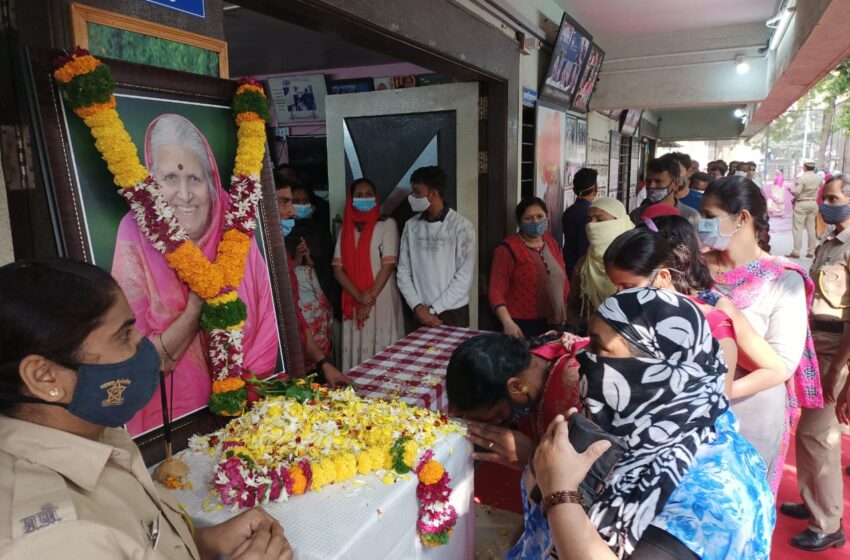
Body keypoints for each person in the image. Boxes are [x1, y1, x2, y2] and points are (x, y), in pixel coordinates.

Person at [0, 259, 293, 559]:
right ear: (44, 376)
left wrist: (205, 542)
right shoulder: (53, 539)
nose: (142, 343)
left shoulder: (96, 432)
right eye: (123, 335)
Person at [511, 289, 774, 560]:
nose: (582, 360)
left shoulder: (711, 496)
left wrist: (559, 493)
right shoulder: (641, 433)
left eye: (599, 348)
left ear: (661, 368)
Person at [112, 115, 279, 435]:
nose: (184, 194)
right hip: (170, 427)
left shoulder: (235, 224)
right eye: (170, 179)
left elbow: (268, 324)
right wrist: (194, 311)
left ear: (212, 181)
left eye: (194, 178)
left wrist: (247, 394)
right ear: (151, 184)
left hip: (250, 412)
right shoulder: (134, 232)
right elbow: (135, 363)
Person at [700, 175, 822, 492]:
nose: (702, 225)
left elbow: (781, 364)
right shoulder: (692, 267)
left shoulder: (783, 279)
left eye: (710, 217)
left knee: (737, 503)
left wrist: (720, 394)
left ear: (742, 218)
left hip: (750, 409)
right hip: (685, 408)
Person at [604, 219, 786, 401]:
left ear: (663, 276)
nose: (619, 295)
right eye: (616, 287)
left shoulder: (712, 319)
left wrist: (721, 391)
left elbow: (775, 370)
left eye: (628, 287)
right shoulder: (622, 316)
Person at [784, 174, 850, 551]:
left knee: (818, 436)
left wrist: (840, 367)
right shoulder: (830, 240)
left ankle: (827, 521)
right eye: (826, 196)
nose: (827, 202)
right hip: (819, 344)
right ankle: (815, 505)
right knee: (810, 433)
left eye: (834, 197)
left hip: (836, 349)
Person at [446, 331, 586, 468]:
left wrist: (534, 457)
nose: (495, 425)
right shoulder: (529, 361)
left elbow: (597, 472)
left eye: (498, 417)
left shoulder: (580, 383)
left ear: (516, 387)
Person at [275, 181, 352, 387]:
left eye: (298, 202)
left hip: (313, 313)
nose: (292, 210)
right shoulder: (264, 251)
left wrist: (324, 363)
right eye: (284, 203)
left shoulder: (317, 230)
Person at [332, 178, 404, 371]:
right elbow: (337, 269)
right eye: (359, 195)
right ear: (351, 199)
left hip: (380, 296)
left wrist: (368, 299)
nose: (364, 198)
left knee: (382, 348)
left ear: (375, 197)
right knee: (357, 349)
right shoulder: (346, 228)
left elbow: (388, 265)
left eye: (368, 195)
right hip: (354, 296)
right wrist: (359, 297)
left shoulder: (387, 224)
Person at [397, 166, 476, 328]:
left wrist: (433, 309)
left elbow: (464, 278)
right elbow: (403, 272)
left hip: (452, 310)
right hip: (418, 311)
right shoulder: (411, 226)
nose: (411, 196)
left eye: (416, 192)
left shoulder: (461, 226)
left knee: (455, 354)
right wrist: (418, 307)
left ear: (432, 194)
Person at [490, 198, 569, 339]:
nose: (535, 222)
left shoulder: (551, 243)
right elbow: (496, 291)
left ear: (547, 216)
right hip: (521, 325)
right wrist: (507, 322)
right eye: (529, 218)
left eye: (540, 217)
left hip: (554, 322)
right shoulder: (507, 249)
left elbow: (563, 278)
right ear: (520, 221)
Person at [281, 179, 334, 366]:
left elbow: (329, 263)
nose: (300, 206)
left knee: (321, 343)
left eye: (305, 201)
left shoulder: (319, 229)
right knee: (300, 345)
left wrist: (312, 262)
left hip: (318, 295)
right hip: (297, 301)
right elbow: (280, 271)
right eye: (296, 201)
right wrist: (296, 260)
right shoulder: (278, 234)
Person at [567, 198, 633, 335]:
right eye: (589, 219)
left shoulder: (638, 262)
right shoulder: (584, 264)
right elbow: (574, 306)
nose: (591, 225)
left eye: (600, 220)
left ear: (619, 222)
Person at [629, 156, 699, 226]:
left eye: (658, 181)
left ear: (675, 183)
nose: (651, 186)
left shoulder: (691, 216)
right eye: (648, 181)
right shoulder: (636, 215)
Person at [561, 168, 597, 280]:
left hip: (568, 265)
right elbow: (584, 249)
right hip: (582, 271)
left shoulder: (569, 211)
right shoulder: (590, 214)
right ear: (595, 189)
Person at [789, 159, 822, 258]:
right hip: (813, 203)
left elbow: (796, 192)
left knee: (798, 228)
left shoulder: (802, 178)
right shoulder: (819, 178)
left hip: (802, 204)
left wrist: (791, 191)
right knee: (811, 228)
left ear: (805, 167)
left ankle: (796, 251)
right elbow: (819, 188)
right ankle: (811, 251)